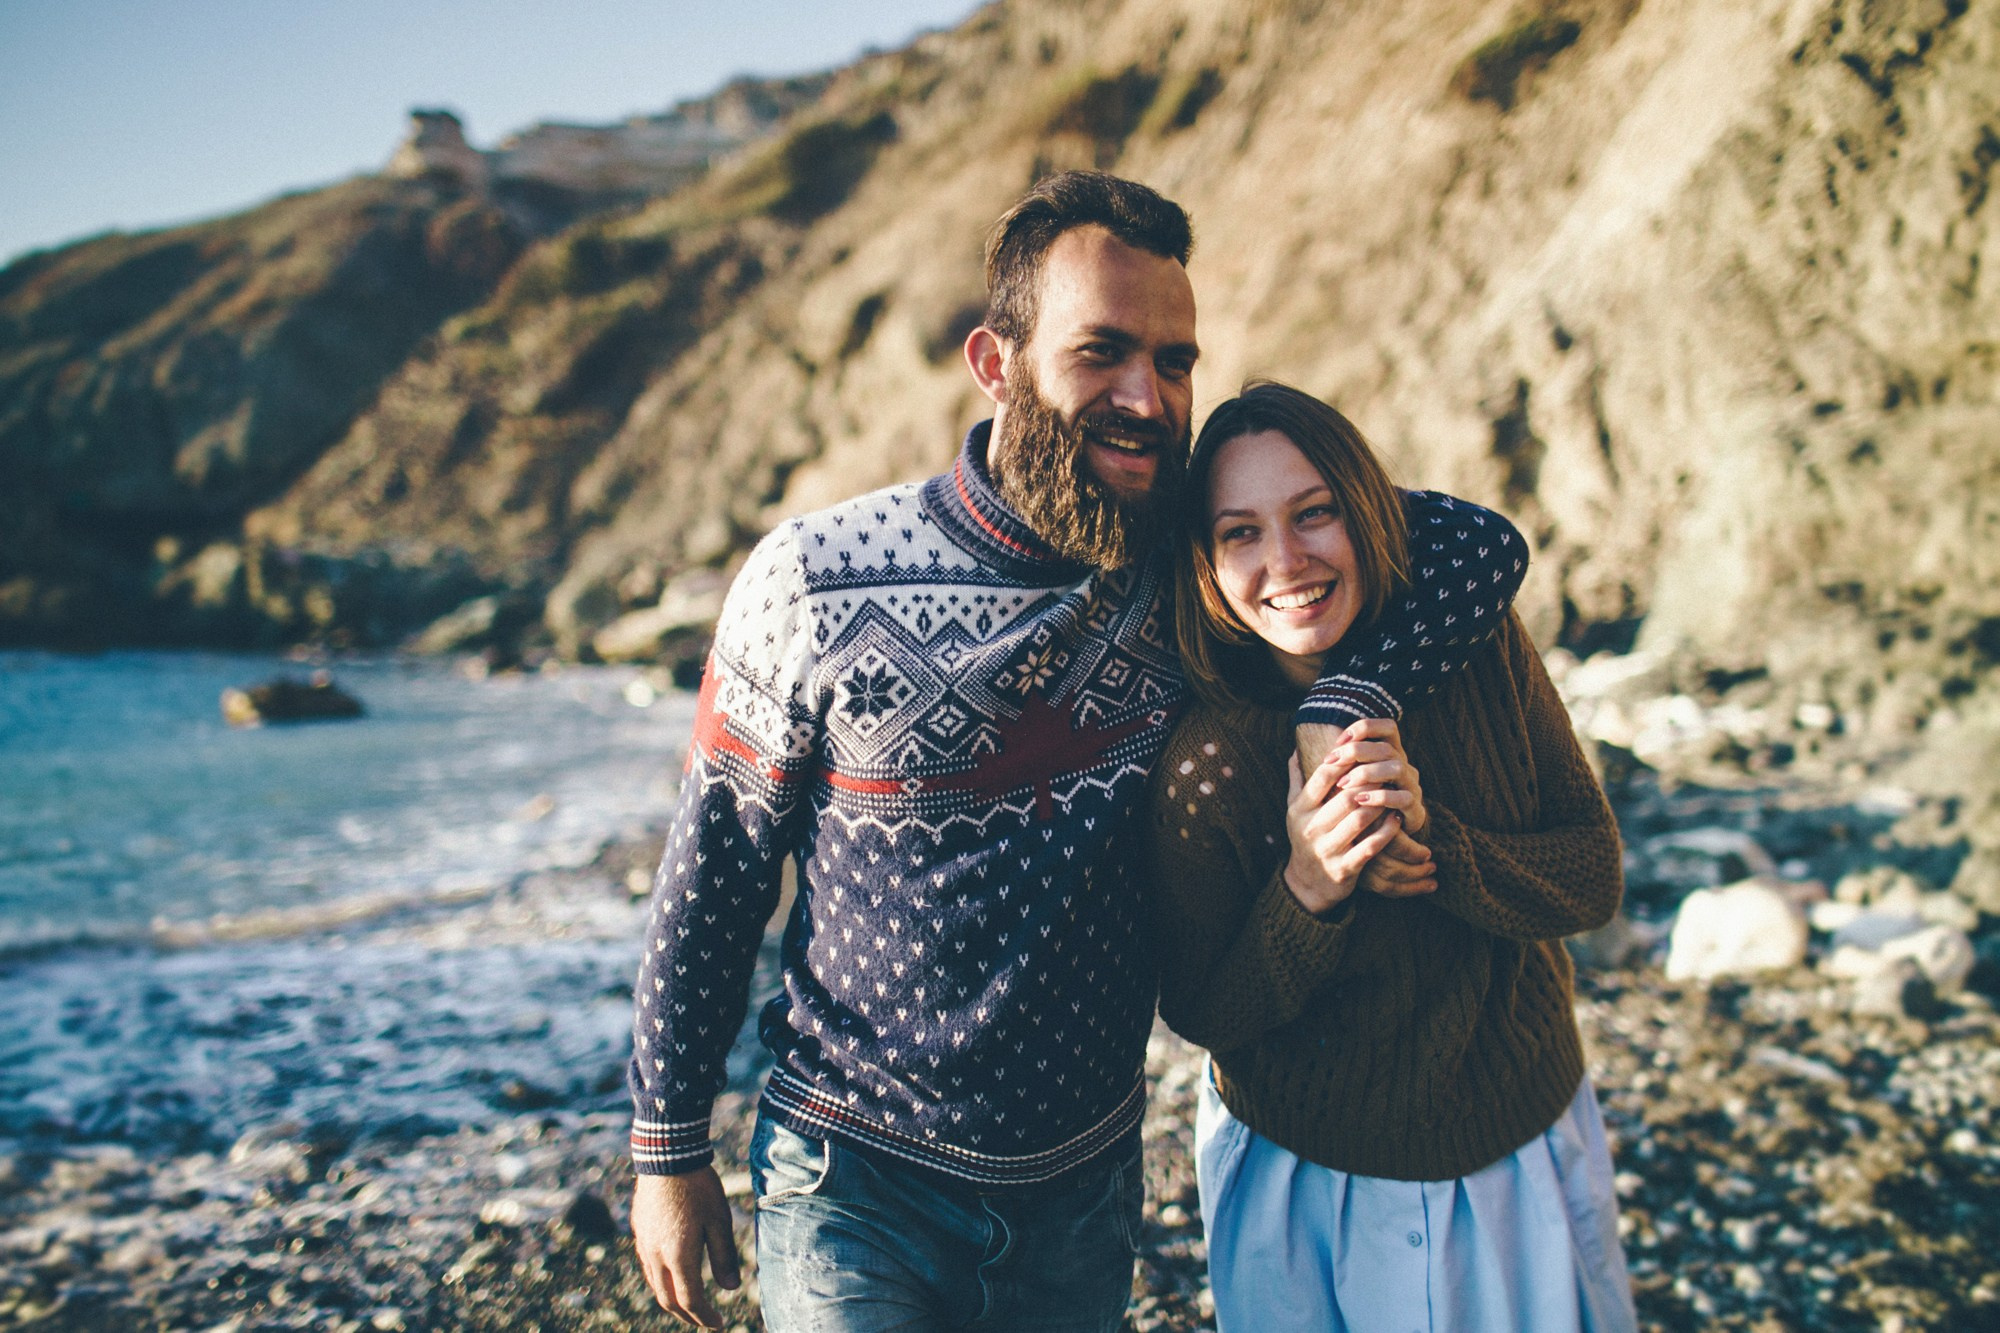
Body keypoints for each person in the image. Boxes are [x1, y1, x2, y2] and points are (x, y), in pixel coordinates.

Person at [626, 174, 1528, 1332]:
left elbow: (1469, 544)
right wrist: (666, 1150)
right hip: (854, 1177)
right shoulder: (814, 578)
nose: (1145, 397)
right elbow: (713, 876)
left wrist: (1339, 697)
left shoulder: (1188, 572)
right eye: (1101, 351)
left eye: (1173, 359)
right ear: (994, 363)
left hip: (1083, 1189)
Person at [1148, 380, 1637, 1332]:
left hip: (1528, 1134)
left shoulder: (1482, 645)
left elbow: (1593, 874)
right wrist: (1309, 889)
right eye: (1240, 532)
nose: (1285, 561)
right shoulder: (1204, 762)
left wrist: (1440, 850)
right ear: (1205, 560)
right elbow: (1206, 1009)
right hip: (1316, 1183)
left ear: (1366, 509)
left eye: (1315, 512)